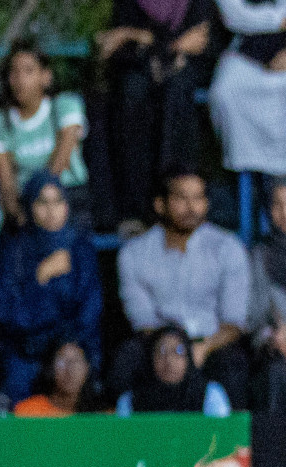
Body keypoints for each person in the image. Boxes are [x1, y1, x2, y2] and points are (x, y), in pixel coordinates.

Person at [112, 167, 251, 408]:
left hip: (211, 343)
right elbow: (142, 320)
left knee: (234, 366)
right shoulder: (134, 254)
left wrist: (202, 348)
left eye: (198, 198)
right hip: (157, 343)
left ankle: (234, 444)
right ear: (160, 204)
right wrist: (173, 350)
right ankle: (125, 441)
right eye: (181, 198)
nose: (191, 207)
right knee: (126, 361)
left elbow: (234, 322)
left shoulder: (227, 248)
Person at [0, 171, 104, 401]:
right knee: (17, 373)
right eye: (42, 202)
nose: (51, 211)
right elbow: (8, 313)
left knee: (77, 367)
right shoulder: (14, 249)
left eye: (58, 201)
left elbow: (90, 310)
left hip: (72, 347)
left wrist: (65, 347)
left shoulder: (80, 248)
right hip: (27, 349)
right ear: (29, 206)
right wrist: (39, 278)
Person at [96, 0, 213, 230]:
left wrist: (139, 36)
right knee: (132, 93)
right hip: (140, 81)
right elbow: (117, 51)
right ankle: (137, 210)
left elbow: (202, 43)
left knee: (176, 94)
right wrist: (173, 46)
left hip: (182, 83)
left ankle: (175, 203)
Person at [0, 38, 92, 228]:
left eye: (28, 71)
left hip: (68, 196)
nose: (20, 80)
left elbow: (60, 163)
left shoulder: (65, 106)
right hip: (26, 202)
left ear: (46, 77)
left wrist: (41, 209)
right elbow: (7, 183)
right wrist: (17, 214)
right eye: (14, 72)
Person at [208, 0, 286, 177]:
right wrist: (278, 20)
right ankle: (246, 180)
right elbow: (232, 15)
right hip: (246, 49)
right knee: (226, 90)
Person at [116, 325, 233, 414]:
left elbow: (222, 437)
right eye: (161, 351)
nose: (169, 360)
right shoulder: (129, 401)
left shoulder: (211, 394)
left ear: (189, 357)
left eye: (178, 351)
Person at [249, 178, 286, 409]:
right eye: (277, 204)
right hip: (278, 351)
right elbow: (253, 317)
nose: (284, 213)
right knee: (275, 373)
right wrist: (274, 338)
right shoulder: (260, 256)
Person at [13, 339, 101, 416]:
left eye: (76, 362)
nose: (70, 370)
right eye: (62, 362)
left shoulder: (101, 415)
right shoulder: (28, 412)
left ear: (87, 368)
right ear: (50, 367)